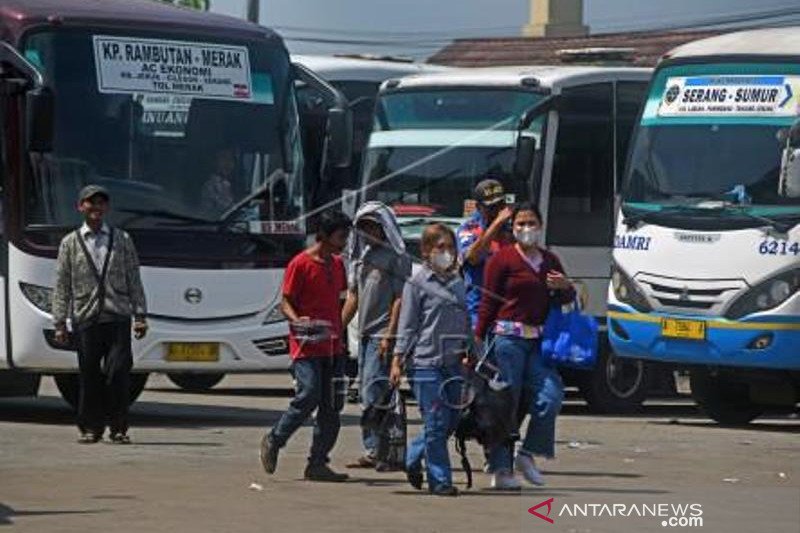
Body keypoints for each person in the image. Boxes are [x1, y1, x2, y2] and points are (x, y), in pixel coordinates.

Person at [474, 203, 573, 490]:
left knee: (550, 396)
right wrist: (477, 339)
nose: (526, 229)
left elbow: (566, 299)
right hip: (507, 341)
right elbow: (488, 302)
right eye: (521, 224)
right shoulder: (502, 260)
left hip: (539, 342)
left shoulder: (550, 261)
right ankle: (501, 468)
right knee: (506, 405)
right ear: (513, 228)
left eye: (531, 223)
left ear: (540, 226)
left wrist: (565, 286)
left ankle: (527, 453)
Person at [52, 185, 148, 444]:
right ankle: (90, 428)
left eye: (101, 203)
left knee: (118, 373)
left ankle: (118, 427)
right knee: (89, 375)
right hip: (86, 317)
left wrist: (140, 315)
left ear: (106, 208)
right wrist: (59, 322)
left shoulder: (122, 239)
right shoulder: (70, 243)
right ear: (80, 207)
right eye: (90, 203)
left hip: (117, 315)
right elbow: (62, 284)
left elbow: (133, 278)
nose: (96, 208)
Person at [260, 210, 352, 482]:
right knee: (309, 394)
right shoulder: (299, 264)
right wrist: (297, 320)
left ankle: (318, 462)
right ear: (324, 236)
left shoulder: (337, 265)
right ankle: (275, 438)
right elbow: (285, 302)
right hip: (306, 347)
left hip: (333, 347)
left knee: (332, 406)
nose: (344, 241)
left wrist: (341, 334)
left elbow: (340, 301)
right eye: (341, 235)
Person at [390, 223, 471, 497]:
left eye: (450, 247)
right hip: (425, 364)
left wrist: (475, 352)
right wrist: (397, 360)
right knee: (436, 422)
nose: (446, 253)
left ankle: (413, 456)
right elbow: (408, 324)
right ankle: (440, 481)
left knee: (451, 420)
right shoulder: (417, 283)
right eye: (440, 247)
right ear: (426, 251)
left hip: (454, 363)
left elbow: (465, 321)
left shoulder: (459, 282)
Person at [342, 202, 411, 469]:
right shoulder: (362, 258)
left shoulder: (397, 258)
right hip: (364, 334)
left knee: (375, 392)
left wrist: (389, 336)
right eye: (364, 227)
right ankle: (376, 448)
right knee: (367, 393)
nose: (369, 232)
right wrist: (337, 328)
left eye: (373, 226)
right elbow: (354, 297)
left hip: (383, 334)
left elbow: (399, 299)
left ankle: (378, 449)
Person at [456, 178, 514, 327]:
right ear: (478, 207)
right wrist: (495, 225)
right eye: (491, 207)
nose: (497, 211)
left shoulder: (512, 230)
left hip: (508, 311)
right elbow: (473, 258)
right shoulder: (469, 228)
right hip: (479, 310)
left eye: (500, 205)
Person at [200, 148, 236, 215]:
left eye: (231, 159)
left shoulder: (233, 184)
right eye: (223, 158)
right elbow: (227, 208)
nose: (228, 163)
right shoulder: (210, 185)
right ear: (215, 162)